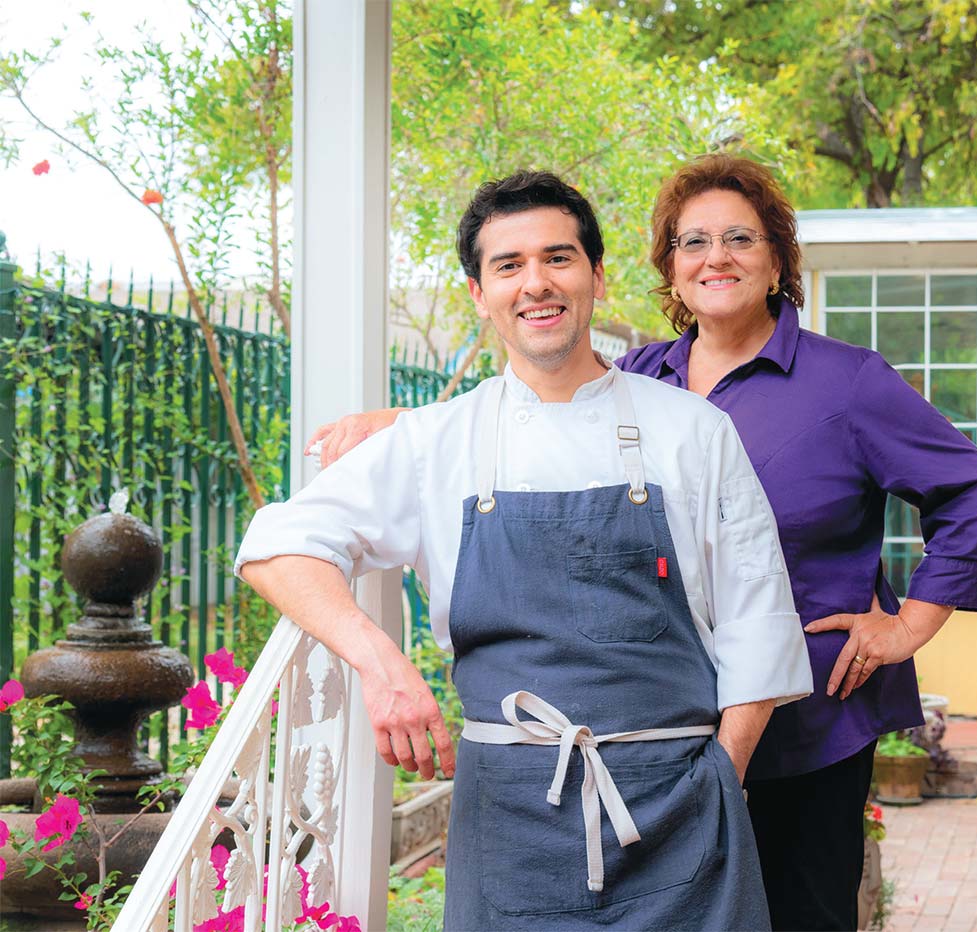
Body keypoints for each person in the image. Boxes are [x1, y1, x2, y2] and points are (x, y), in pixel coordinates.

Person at [311, 154, 977, 931]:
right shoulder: (647, 377)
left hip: (805, 718)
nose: (717, 257)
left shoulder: (845, 383)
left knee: (800, 914)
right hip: (660, 736)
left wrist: (910, 623)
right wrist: (397, 428)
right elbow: (541, 404)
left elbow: (973, 491)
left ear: (777, 257)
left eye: (740, 239)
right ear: (669, 271)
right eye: (693, 243)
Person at [236, 170, 812, 931]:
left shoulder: (692, 431)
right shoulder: (436, 442)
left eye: (559, 258)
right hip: (509, 819)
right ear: (479, 292)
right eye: (508, 266)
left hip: (680, 810)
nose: (536, 284)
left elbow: (758, 622)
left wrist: (719, 779)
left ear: (597, 277)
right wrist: (383, 666)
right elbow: (277, 545)